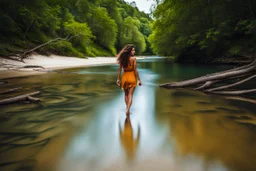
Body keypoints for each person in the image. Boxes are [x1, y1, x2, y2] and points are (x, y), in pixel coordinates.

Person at [116, 44, 142, 115]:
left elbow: (119, 70)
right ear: (130, 51)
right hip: (131, 77)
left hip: (124, 77)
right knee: (130, 95)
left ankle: (126, 108)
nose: (134, 51)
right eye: (133, 50)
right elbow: (135, 70)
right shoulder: (133, 59)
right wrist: (139, 80)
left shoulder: (122, 58)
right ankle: (128, 109)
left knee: (126, 94)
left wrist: (118, 79)